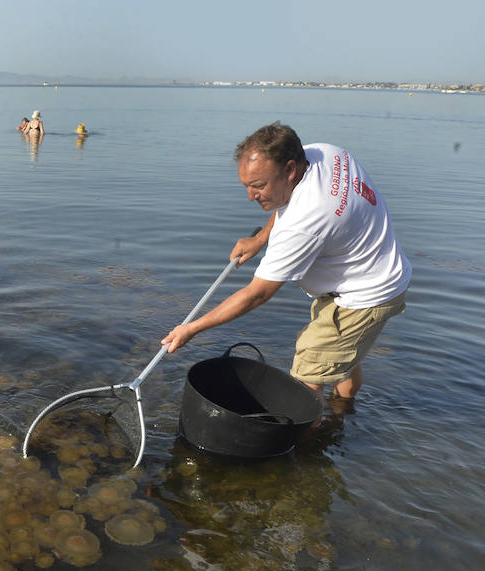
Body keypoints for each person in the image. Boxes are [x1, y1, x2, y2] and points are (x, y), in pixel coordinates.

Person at [162, 122, 410, 405]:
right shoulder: (324, 153)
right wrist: (260, 240)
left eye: (258, 186)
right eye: (247, 186)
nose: (251, 196)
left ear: (289, 170)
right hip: (373, 274)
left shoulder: (305, 221)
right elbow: (286, 202)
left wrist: (191, 328)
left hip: (365, 296)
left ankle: (314, 438)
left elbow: (257, 294)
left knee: (305, 382)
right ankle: (343, 416)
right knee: (342, 357)